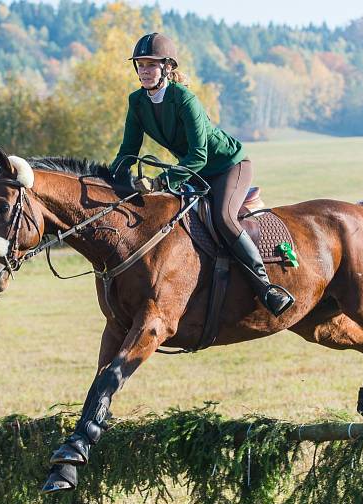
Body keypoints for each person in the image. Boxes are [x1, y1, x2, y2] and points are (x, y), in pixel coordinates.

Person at [111, 33, 294, 317]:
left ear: (167, 67)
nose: (145, 70)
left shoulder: (185, 99)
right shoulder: (137, 102)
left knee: (223, 218)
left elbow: (199, 155)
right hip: (195, 172)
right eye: (141, 64)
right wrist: (109, 181)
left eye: (151, 64)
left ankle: (266, 287)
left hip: (228, 166)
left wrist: (162, 181)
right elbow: (128, 150)